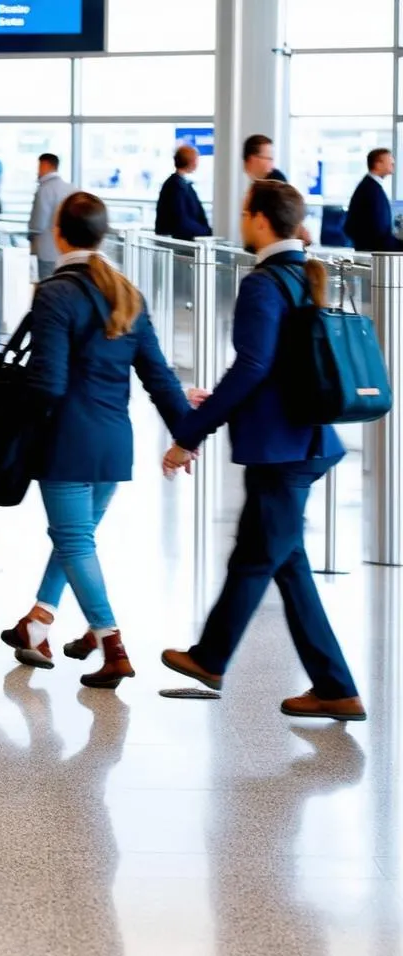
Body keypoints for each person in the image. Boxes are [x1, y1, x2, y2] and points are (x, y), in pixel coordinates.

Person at [160, 180, 366, 723]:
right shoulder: (305, 275)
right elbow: (278, 367)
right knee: (286, 562)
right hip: (306, 439)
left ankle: (211, 657)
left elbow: (252, 367)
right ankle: (335, 687)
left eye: (244, 209)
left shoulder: (263, 284)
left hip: (283, 449)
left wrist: (190, 432)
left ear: (258, 219)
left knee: (254, 558)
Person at [0, 192, 190, 684]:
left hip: (66, 442)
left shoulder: (54, 293)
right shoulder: (126, 292)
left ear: (59, 232)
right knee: (74, 540)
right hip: (114, 444)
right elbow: (159, 376)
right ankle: (37, 623)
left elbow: (48, 384)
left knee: (74, 541)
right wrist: (186, 436)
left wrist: (8, 426)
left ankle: (112, 644)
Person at [344, 147, 402, 253]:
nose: (393, 164)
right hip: (375, 253)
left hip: (374, 249)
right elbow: (377, 230)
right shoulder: (370, 189)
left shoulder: (370, 186)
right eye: (389, 161)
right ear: (378, 164)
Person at [29, 153, 75, 281]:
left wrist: (30, 236)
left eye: (39, 166)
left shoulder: (44, 189)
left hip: (46, 251)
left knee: (48, 286)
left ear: (45, 165)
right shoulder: (70, 188)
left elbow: (37, 224)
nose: (38, 170)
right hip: (66, 251)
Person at [155, 145, 212, 241]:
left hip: (180, 237)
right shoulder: (177, 185)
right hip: (178, 241)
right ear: (191, 161)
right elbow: (181, 219)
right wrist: (207, 232)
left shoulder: (179, 183)